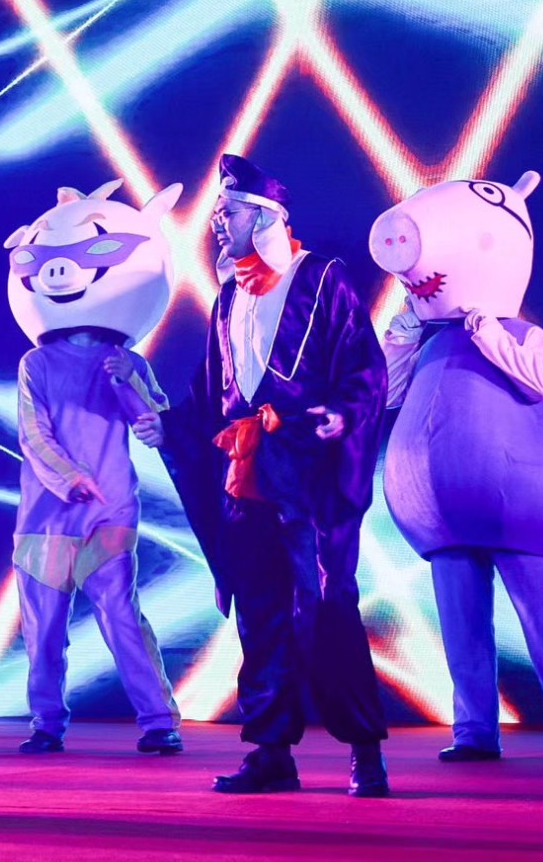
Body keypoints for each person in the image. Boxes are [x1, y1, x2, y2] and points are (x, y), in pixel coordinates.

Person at [134, 155, 390, 797]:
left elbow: (365, 369)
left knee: (326, 607)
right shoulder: (226, 298)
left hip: (309, 474)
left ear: (266, 215)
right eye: (217, 213)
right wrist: (171, 426)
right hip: (245, 476)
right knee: (259, 611)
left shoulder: (323, 279)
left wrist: (342, 414)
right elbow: (211, 392)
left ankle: (364, 750)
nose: (216, 223)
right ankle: (272, 751)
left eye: (228, 212)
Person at [370, 171, 543, 762]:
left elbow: (539, 380)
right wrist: (401, 339)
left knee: (540, 610)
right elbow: (388, 395)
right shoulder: (432, 343)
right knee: (460, 621)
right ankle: (473, 730)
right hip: (440, 510)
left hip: (516, 502)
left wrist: (486, 330)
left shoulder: (523, 334)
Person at [2, 180, 185, 756]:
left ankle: (159, 721)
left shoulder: (127, 360)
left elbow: (154, 422)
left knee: (122, 616)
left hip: (110, 510)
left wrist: (131, 385)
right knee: (44, 629)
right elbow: (34, 433)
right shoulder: (36, 362)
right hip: (46, 517)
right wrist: (67, 477)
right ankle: (46, 723)